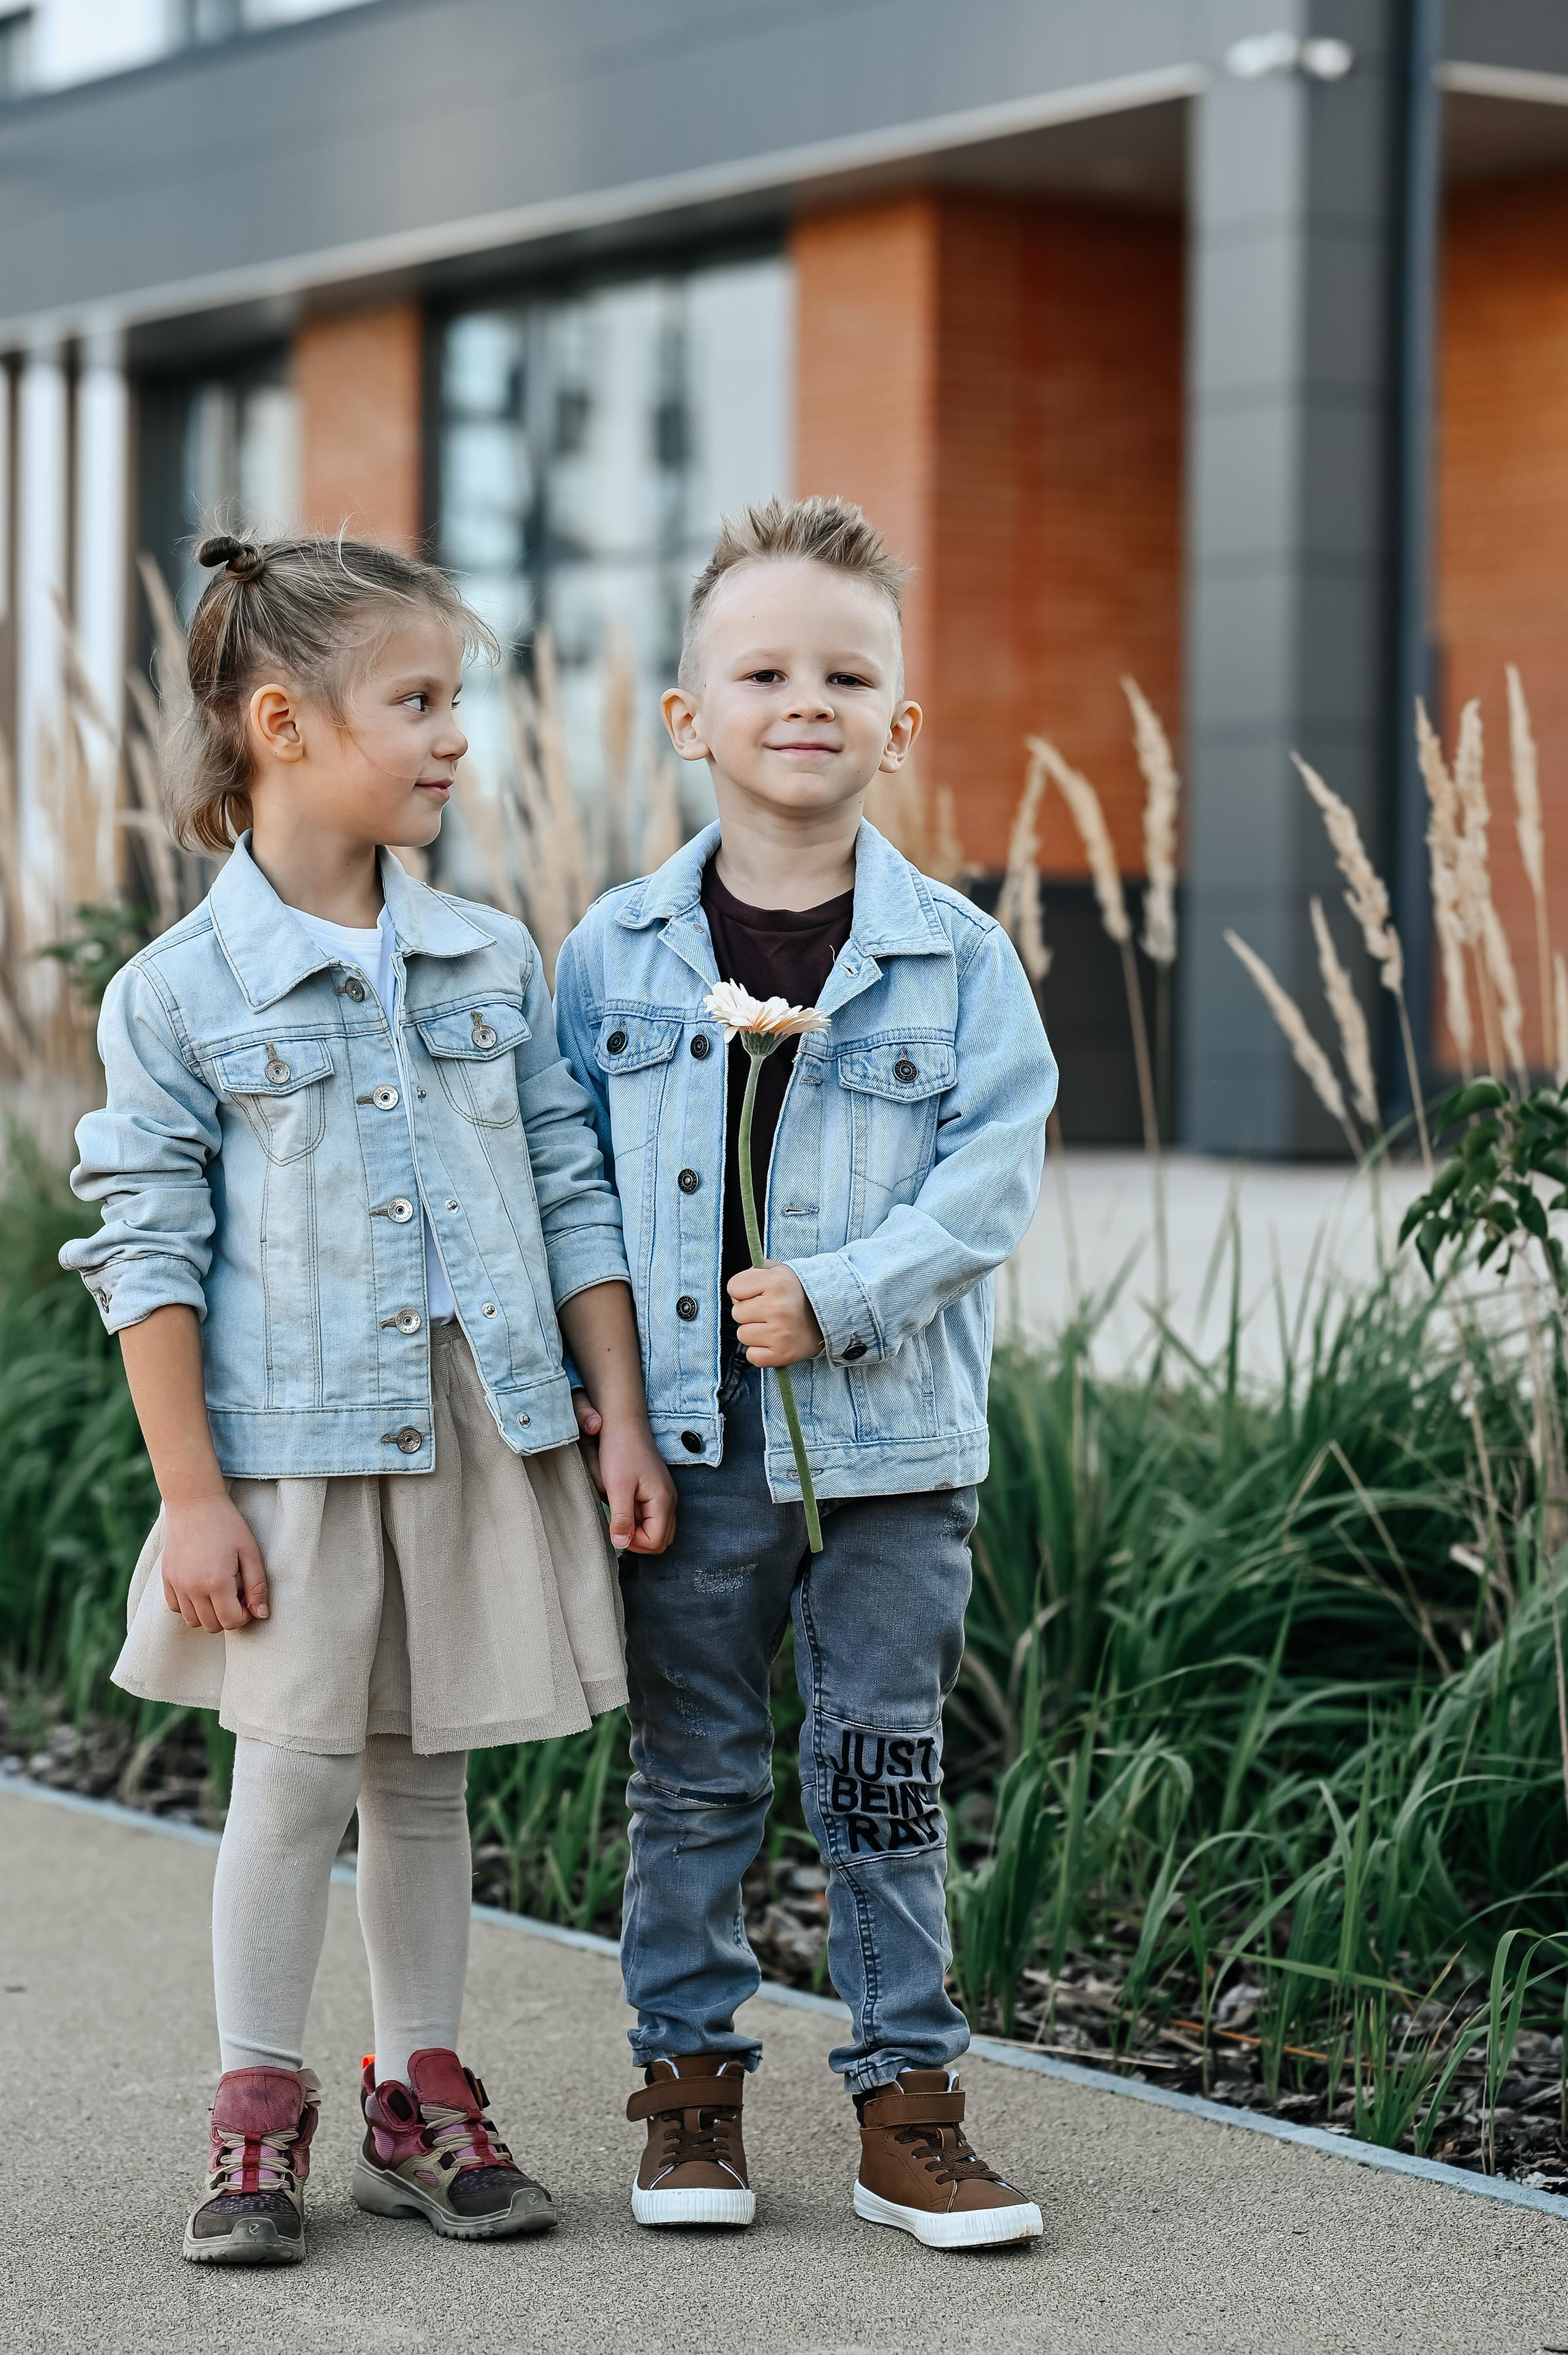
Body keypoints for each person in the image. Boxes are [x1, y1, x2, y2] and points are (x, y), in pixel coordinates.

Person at [63, 530, 674, 2266]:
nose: (452, 735)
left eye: (452, 700)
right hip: (295, 1458)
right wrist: (193, 1497)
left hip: (480, 1430)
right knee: (292, 1779)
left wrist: (617, 1412)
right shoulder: (177, 995)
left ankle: (421, 2096)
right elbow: (146, 1250)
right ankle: (257, 2107)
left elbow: (568, 1190)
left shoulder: (489, 958)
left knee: (425, 1782)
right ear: (283, 723)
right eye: (416, 701)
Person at [555, 495, 1057, 2249]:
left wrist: (837, 1295)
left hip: (890, 1452)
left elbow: (987, 1179)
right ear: (687, 716)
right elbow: (570, 1191)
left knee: (881, 1772)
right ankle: (686, 2089)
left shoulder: (959, 959)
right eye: (762, 672)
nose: (803, 703)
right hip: (692, 1446)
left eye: (844, 676)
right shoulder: (612, 954)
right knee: (693, 1772)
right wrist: (611, 1413)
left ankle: (906, 2105)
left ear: (895, 725)